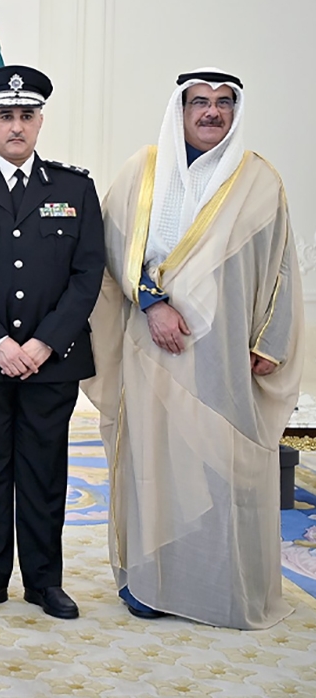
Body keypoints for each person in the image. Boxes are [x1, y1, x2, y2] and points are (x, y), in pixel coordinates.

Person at [83, 69, 304, 629]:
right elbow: (109, 247)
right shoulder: (143, 171)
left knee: (222, 467)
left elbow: (281, 266)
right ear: (180, 111)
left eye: (224, 102)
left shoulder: (260, 180)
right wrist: (152, 302)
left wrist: (271, 343)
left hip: (225, 355)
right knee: (152, 465)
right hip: (152, 347)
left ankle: (219, 586)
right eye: (199, 102)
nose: (212, 112)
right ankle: (151, 582)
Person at [0, 65, 104, 619]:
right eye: (5, 115)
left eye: (26, 115)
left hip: (51, 361)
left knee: (44, 471)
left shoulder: (75, 189)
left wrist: (44, 343)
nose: (16, 126)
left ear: (40, 121)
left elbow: (87, 274)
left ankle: (44, 581)